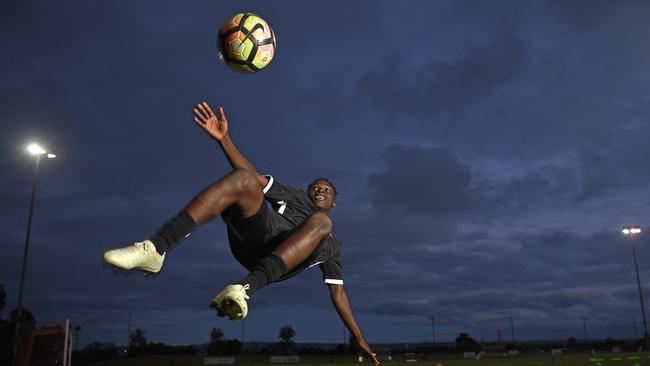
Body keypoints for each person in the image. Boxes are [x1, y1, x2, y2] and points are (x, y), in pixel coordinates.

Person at [103, 102, 379, 365]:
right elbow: (253, 177)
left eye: (326, 190)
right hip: (254, 237)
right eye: (315, 187)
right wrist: (224, 139)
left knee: (321, 225)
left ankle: (243, 289)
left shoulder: (332, 244)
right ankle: (156, 249)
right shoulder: (295, 197)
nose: (320, 190)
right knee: (243, 179)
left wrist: (359, 337)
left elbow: (338, 294)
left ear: (334, 203)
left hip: (276, 262)